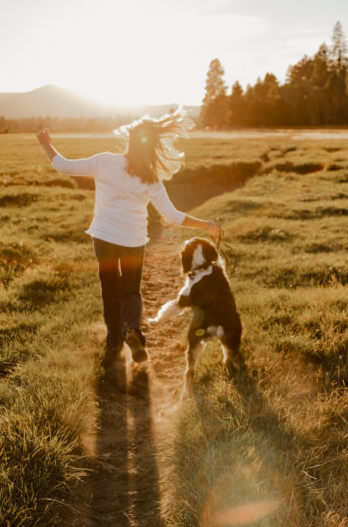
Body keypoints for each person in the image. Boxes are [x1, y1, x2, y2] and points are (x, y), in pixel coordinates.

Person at [36, 110, 222, 364]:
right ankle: (132, 331)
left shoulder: (104, 162)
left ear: (129, 140)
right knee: (131, 292)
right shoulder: (151, 178)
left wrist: (46, 144)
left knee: (109, 288)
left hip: (103, 239)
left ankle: (114, 340)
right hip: (133, 241)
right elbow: (172, 215)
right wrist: (207, 225)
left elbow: (62, 165)